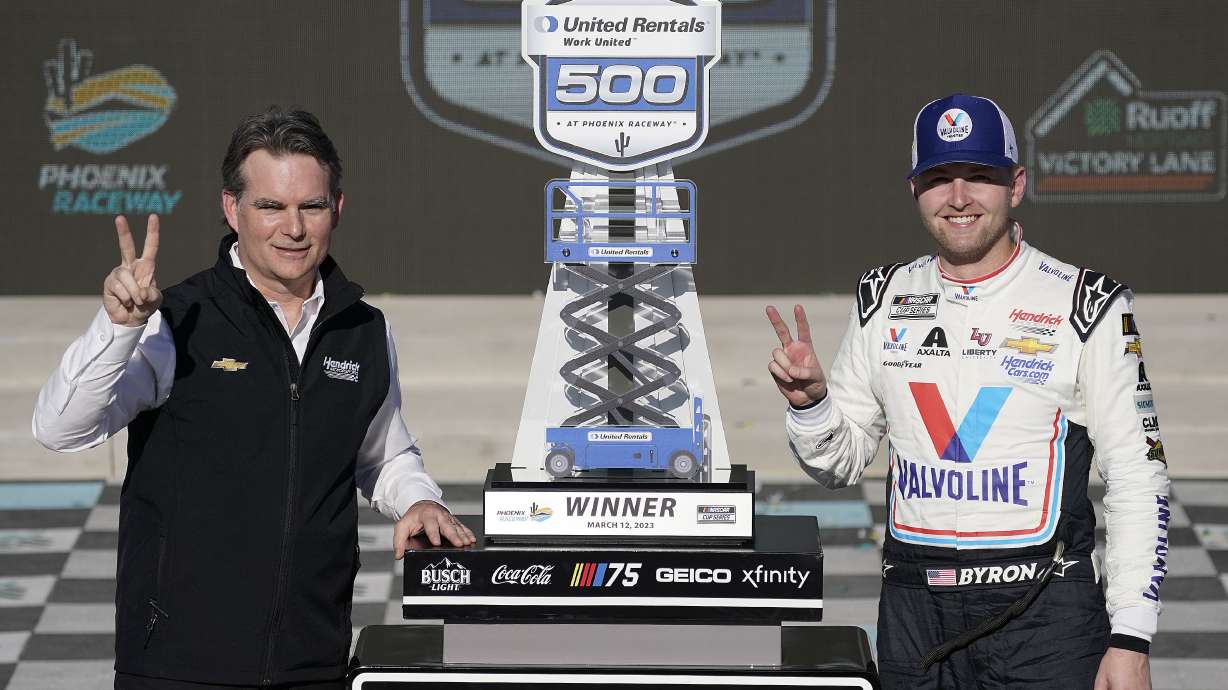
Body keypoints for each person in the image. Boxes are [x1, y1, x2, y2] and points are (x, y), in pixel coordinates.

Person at [32, 107, 476, 689]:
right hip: (178, 667)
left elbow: (384, 454)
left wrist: (419, 500)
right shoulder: (176, 319)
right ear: (231, 209)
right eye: (270, 206)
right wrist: (117, 328)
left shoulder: (364, 329)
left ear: (336, 209)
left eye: (310, 206)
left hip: (312, 662)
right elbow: (60, 428)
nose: (292, 228)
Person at [766, 94, 1169, 689]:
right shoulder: (883, 298)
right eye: (939, 178)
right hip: (913, 611)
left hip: (1045, 616)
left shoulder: (1089, 304)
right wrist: (811, 402)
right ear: (913, 190)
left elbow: (1138, 475)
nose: (958, 197)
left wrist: (1131, 635)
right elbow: (838, 462)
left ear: (1016, 185)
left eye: (980, 176)